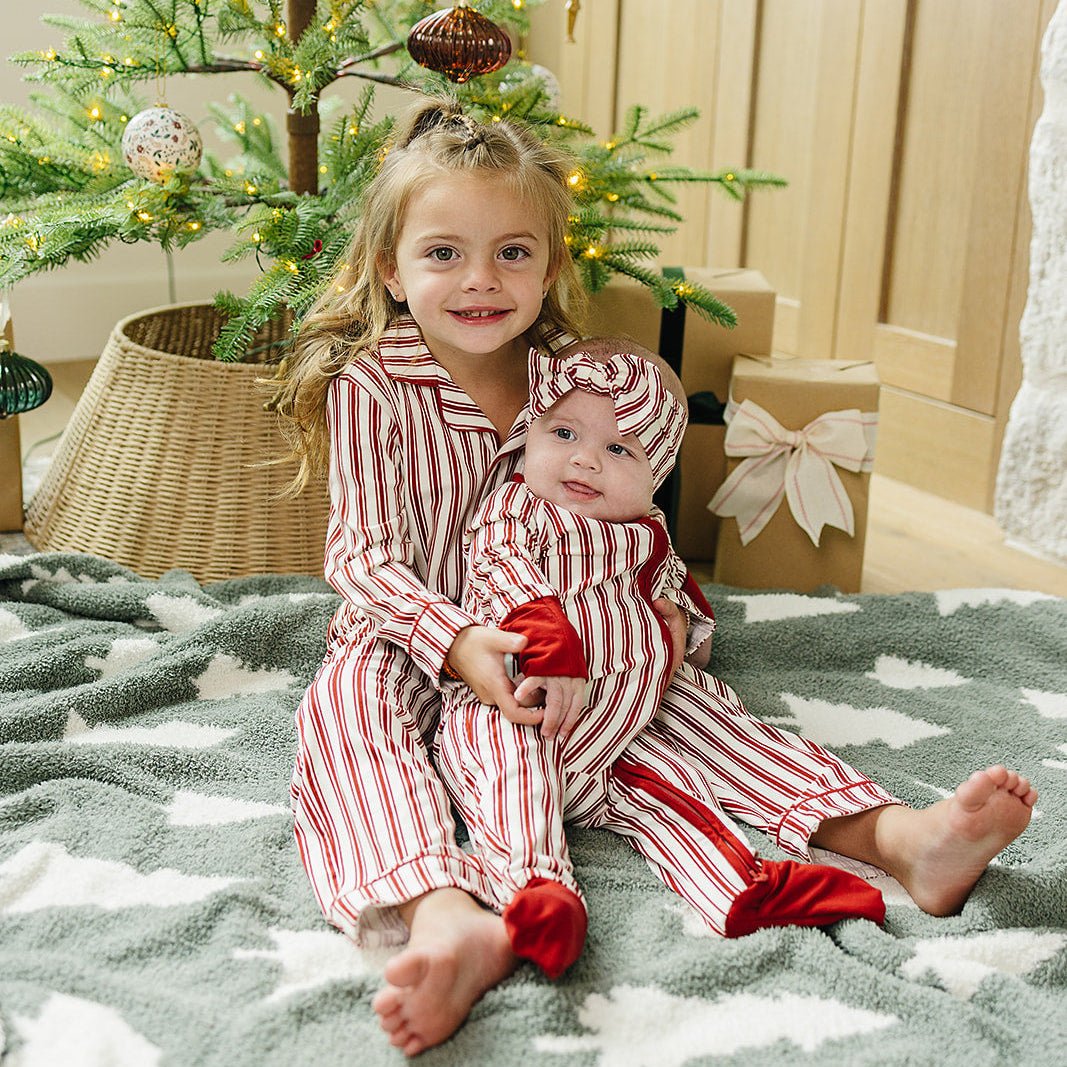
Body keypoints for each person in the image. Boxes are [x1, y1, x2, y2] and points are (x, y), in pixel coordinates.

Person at [277, 96, 1038, 1058]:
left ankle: (896, 837)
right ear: (391, 266)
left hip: (582, 632)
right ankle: (446, 913)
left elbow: (634, 524)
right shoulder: (373, 385)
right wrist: (460, 641)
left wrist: (668, 622)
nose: (480, 280)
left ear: (550, 266)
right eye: (443, 255)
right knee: (345, 719)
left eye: (513, 253)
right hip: (417, 634)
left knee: (694, 711)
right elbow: (361, 557)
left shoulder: (574, 378)